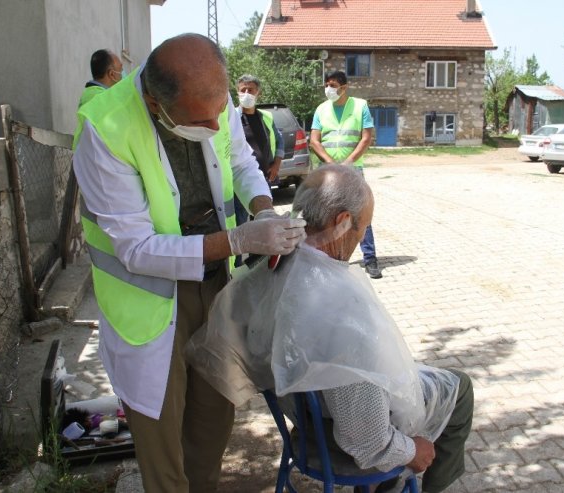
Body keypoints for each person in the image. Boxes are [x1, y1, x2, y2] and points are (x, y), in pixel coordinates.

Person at [72, 33, 306, 492]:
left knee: (212, 422)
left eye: (221, 112)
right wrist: (239, 238)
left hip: (215, 286)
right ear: (156, 103)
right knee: (162, 443)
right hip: (149, 304)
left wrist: (263, 211)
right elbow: (137, 249)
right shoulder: (105, 129)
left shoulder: (212, 100)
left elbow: (241, 161)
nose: (218, 126)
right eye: (203, 119)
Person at [188, 164, 474, 493]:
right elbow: (368, 442)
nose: (363, 236)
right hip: (334, 431)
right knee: (461, 387)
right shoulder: (342, 315)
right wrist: (414, 451)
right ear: (341, 223)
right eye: (362, 227)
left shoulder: (276, 261)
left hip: (304, 412)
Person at [309, 70, 382, 279]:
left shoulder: (360, 106)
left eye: (332, 85)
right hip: (328, 171)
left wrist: (348, 163)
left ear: (344, 87)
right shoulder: (321, 109)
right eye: (326, 85)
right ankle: (330, 260)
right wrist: (331, 163)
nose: (328, 89)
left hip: (353, 170)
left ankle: (370, 259)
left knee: (359, 213)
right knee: (328, 216)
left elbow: (366, 138)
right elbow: (314, 140)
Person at [232, 74, 285, 266]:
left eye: (250, 90)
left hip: (263, 179)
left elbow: (280, 141)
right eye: (243, 90)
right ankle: (237, 264)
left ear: (258, 93)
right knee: (240, 222)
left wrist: (276, 164)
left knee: (262, 220)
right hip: (239, 181)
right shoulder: (232, 118)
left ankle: (259, 260)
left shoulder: (266, 117)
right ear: (237, 92)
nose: (246, 93)